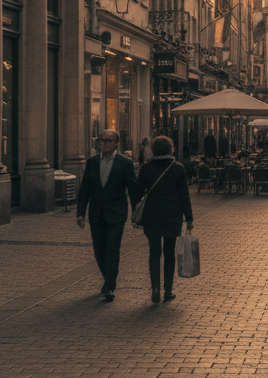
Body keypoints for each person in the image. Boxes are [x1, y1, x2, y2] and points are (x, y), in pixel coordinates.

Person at [76, 129, 141, 301]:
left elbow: (132, 190)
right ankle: (108, 278)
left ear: (116, 143)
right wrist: (80, 213)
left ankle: (110, 285)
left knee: (112, 248)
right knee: (99, 249)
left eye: (108, 140)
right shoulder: (91, 163)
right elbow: (84, 190)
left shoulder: (125, 163)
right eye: (101, 140)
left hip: (116, 213)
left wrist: (137, 212)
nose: (104, 143)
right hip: (96, 213)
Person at [131, 135, 194, 304]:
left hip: (152, 216)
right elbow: (184, 195)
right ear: (170, 149)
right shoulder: (178, 168)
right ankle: (168, 290)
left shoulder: (146, 168)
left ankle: (155, 289)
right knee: (169, 253)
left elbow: (137, 192)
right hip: (173, 216)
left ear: (153, 149)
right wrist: (189, 218)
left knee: (154, 252)